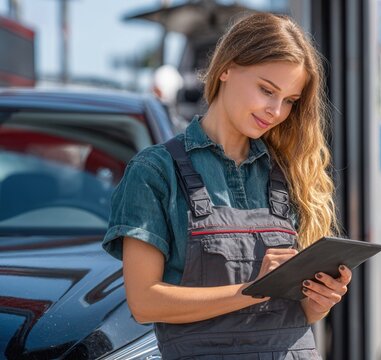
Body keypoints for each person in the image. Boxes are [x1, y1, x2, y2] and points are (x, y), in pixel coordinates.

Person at [102, 13, 351, 359]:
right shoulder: (156, 171)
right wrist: (252, 290)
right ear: (226, 69)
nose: (276, 111)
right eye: (267, 90)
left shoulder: (292, 172)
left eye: (290, 100)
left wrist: (319, 302)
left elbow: (297, 317)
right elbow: (144, 302)